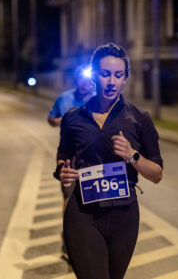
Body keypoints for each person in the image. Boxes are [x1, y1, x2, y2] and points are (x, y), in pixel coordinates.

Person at [54, 43, 163, 279]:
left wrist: (132, 155)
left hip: (124, 217)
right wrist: (62, 170)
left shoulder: (139, 119)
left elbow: (156, 174)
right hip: (83, 213)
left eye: (118, 75)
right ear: (94, 75)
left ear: (125, 78)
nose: (111, 81)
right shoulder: (73, 118)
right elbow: (63, 154)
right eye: (105, 74)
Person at [48, 65, 95, 260]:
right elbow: (50, 118)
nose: (86, 85)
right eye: (82, 81)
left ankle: (90, 241)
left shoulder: (97, 100)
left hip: (93, 158)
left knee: (92, 200)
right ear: (76, 81)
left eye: (89, 82)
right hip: (69, 157)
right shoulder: (65, 98)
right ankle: (67, 242)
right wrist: (59, 121)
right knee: (69, 200)